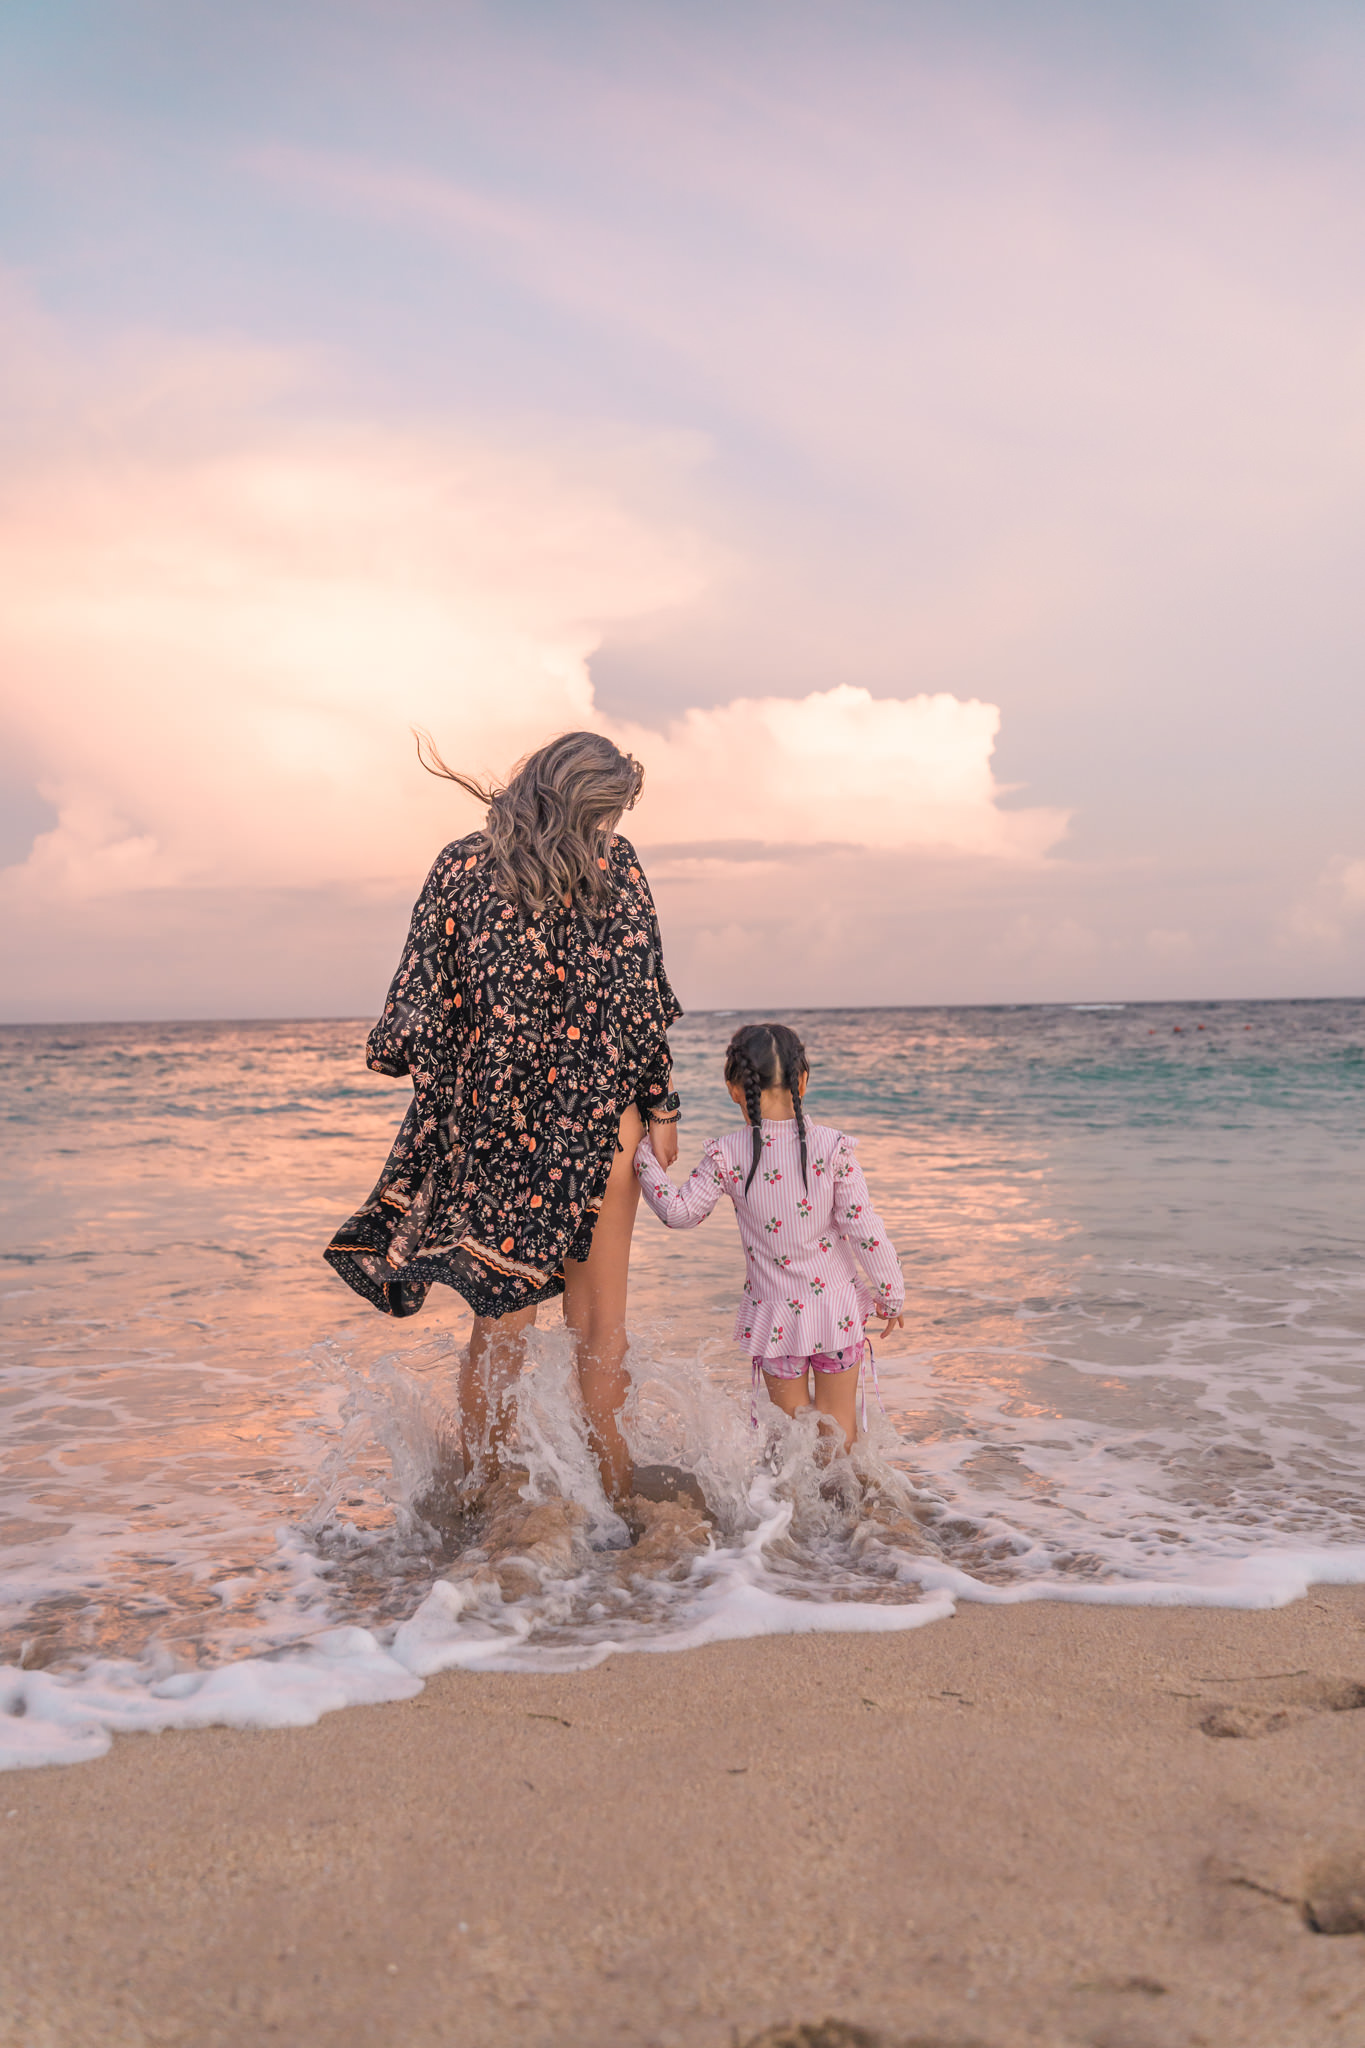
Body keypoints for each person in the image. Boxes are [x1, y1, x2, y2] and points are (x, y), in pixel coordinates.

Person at [325, 731, 681, 1502]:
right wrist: (660, 1105)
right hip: (599, 1119)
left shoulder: (459, 865)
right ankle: (615, 1496)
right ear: (587, 803)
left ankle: (485, 1495)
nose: (609, 828)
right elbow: (638, 1001)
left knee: (500, 1324)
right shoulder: (615, 864)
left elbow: (413, 1008)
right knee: (600, 1326)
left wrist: (462, 1086)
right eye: (607, 812)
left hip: (497, 1126)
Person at [632, 1021, 902, 1449]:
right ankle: (849, 1494)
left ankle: (787, 1495)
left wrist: (643, 1155)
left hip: (776, 1321)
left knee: (790, 1438)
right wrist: (891, 1292)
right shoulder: (833, 1148)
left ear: (733, 1089)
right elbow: (864, 1227)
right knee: (840, 1430)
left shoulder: (727, 1155)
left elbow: (679, 1213)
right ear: (803, 1081)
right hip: (837, 1311)